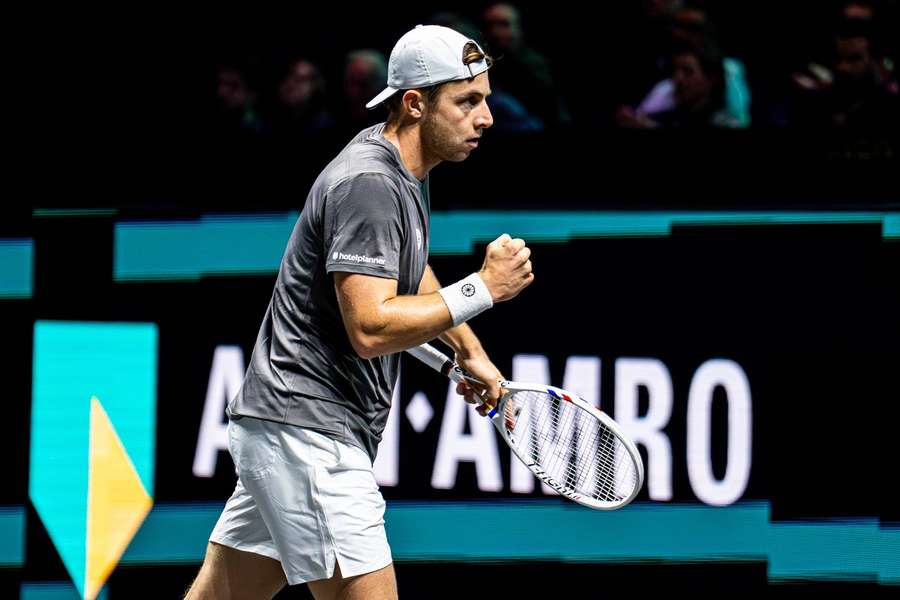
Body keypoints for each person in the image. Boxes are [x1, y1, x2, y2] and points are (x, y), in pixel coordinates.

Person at [185, 24, 534, 600]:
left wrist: (471, 353)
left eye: (486, 100)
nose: (487, 117)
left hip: (286, 426)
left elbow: (402, 268)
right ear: (416, 103)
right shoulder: (371, 182)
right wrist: (485, 288)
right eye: (467, 101)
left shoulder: (398, 169)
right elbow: (371, 328)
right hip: (310, 431)